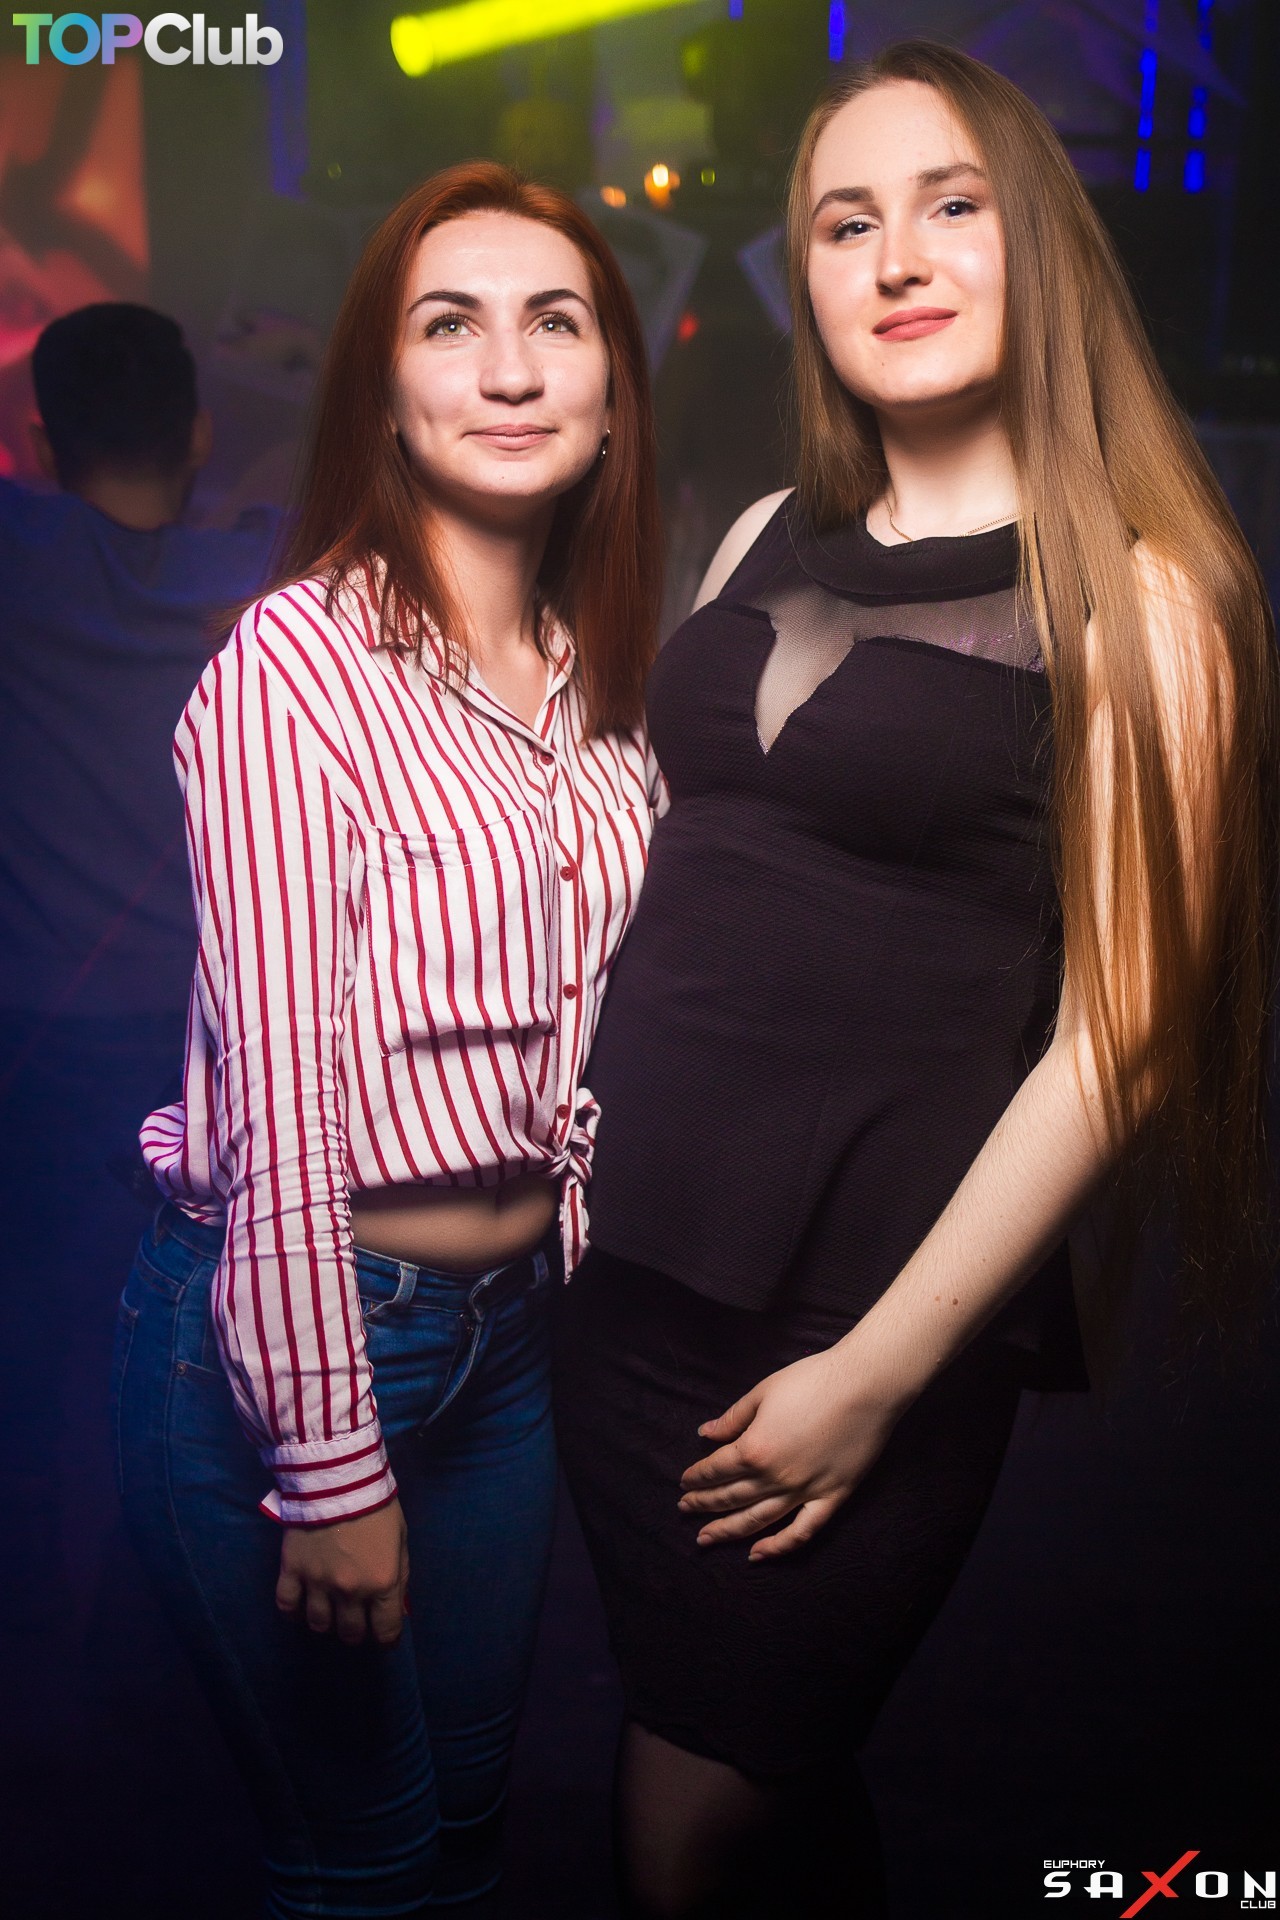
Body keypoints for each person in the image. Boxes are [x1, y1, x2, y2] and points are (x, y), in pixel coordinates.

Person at [553, 41, 1278, 1920]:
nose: (897, 257)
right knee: (748, 1789)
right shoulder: (751, 537)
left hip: (855, 1322)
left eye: (952, 205)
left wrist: (876, 1377)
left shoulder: (1144, 600)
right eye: (844, 221)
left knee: (693, 1816)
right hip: (624, 1282)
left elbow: (1126, 1038)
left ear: (1040, 242)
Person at [113, 162, 662, 1916]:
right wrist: (327, 1461)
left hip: (511, 1339)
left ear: (611, 393)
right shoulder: (298, 667)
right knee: (366, 1871)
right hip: (308, 1330)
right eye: (450, 325)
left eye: (554, 322)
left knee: (472, 1824)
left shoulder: (597, 679)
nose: (507, 369)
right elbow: (277, 1093)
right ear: (384, 390)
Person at [0, 303, 280, 1633]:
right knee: (212, 1339)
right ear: (200, 432)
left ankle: (51, 1624)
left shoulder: (17, 557)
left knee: (45, 1337)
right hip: (222, 1036)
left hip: (40, 1029)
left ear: (38, 439)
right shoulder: (274, 572)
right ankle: (173, 1618)